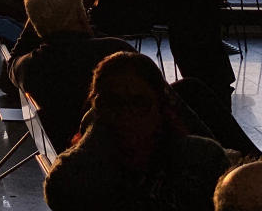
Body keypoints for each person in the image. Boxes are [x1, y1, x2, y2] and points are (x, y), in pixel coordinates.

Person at [44, 52, 230, 211]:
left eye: (138, 103)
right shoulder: (204, 160)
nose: (128, 114)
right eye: (116, 103)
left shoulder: (72, 175)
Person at [8, 0, 134, 152]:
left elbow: (12, 62)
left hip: (67, 156)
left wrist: (37, 19)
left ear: (33, 22)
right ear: (80, 11)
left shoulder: (29, 67)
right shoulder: (116, 53)